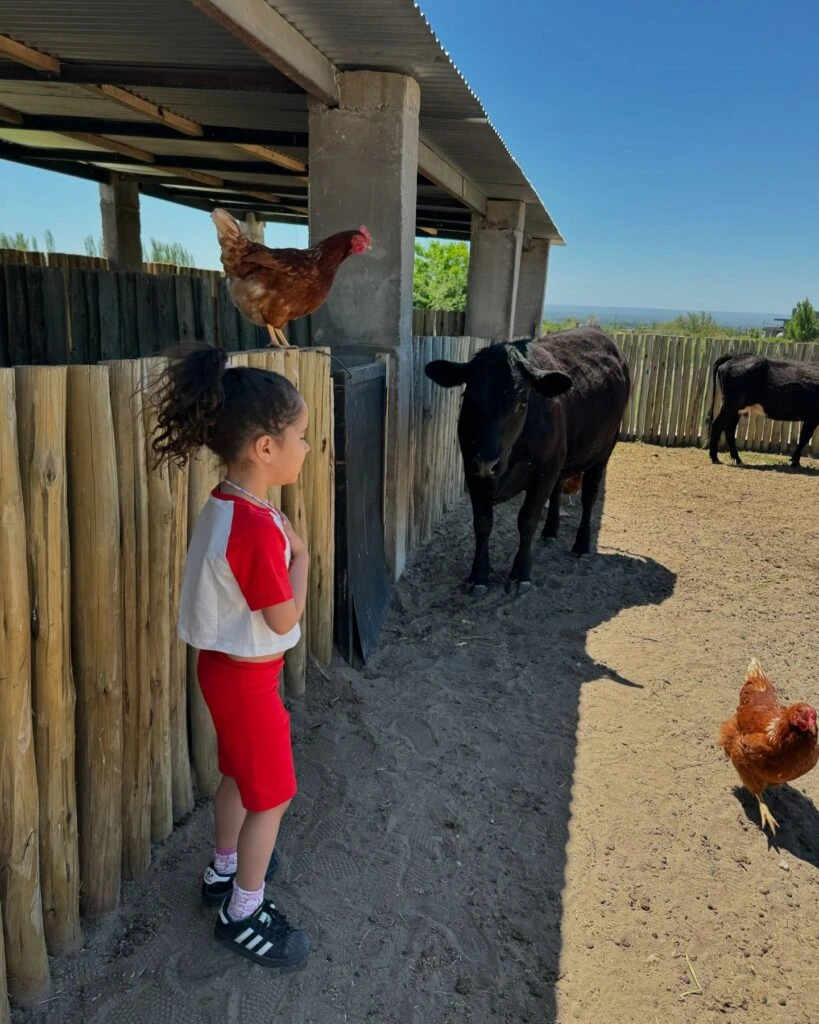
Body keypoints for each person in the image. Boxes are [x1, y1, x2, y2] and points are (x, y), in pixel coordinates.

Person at [151, 345, 310, 969]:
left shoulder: (228, 500)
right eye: (299, 436)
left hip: (224, 669)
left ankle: (224, 869)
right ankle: (243, 910)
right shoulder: (251, 528)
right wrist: (304, 561)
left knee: (239, 778)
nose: (306, 446)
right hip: (248, 680)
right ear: (264, 448)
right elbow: (283, 617)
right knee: (271, 795)